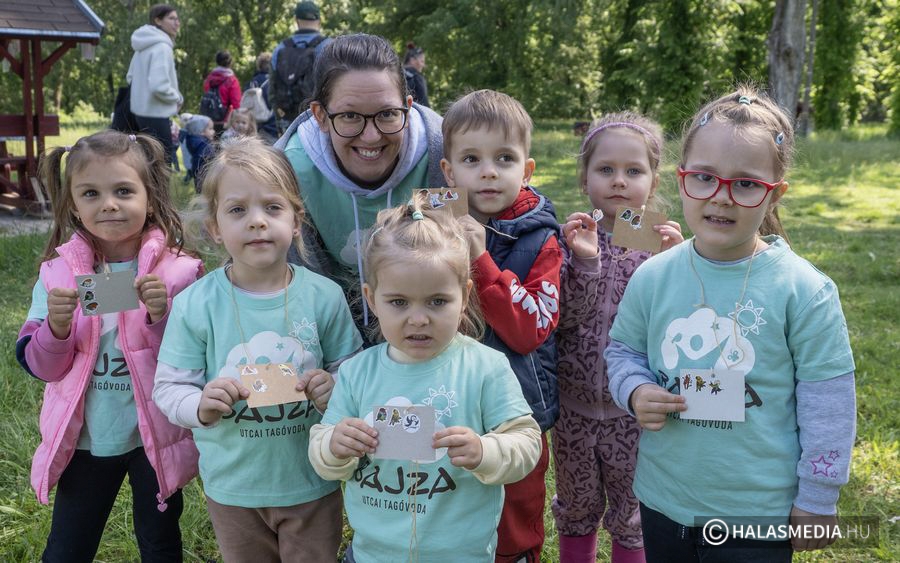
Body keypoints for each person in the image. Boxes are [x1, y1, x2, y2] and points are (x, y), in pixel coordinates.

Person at [606, 87, 856, 562]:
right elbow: (623, 351)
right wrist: (635, 389)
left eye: (745, 184)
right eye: (704, 178)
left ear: (774, 194)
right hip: (664, 500)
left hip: (757, 513)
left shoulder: (804, 291)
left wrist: (818, 499)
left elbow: (829, 403)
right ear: (681, 180)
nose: (721, 198)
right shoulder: (652, 276)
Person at [153, 139, 363, 562]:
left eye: (272, 207)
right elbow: (169, 387)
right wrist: (200, 405)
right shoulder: (196, 304)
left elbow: (355, 373)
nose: (257, 222)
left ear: (296, 220)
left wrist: (334, 388)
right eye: (237, 210)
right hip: (234, 488)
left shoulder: (324, 297)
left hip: (311, 482)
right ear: (215, 227)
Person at [308, 192, 542, 562]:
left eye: (437, 301)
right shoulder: (356, 373)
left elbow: (527, 442)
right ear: (372, 299)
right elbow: (323, 453)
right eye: (399, 302)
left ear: (464, 296)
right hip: (373, 556)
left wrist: (485, 451)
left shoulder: (485, 368)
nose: (418, 319)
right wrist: (334, 444)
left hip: (460, 555)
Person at [16, 130, 202, 562]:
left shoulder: (180, 273)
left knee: (160, 543)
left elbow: (196, 359)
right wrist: (55, 329)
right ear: (73, 206)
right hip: (87, 438)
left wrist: (162, 317)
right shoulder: (58, 275)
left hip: (155, 438)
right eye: (91, 193)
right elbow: (41, 367)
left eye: (123, 191)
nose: (109, 204)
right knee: (68, 546)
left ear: (150, 198)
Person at [552, 113, 683, 563]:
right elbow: (563, 317)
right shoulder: (569, 240)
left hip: (633, 413)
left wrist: (674, 266)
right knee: (576, 507)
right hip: (573, 409)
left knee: (632, 513)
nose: (619, 181)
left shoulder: (661, 247)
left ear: (654, 181)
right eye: (605, 169)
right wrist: (584, 262)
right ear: (584, 177)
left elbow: (674, 328)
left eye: (634, 171)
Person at [440, 89, 562, 563]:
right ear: (449, 172)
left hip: (517, 410)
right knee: (452, 501)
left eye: (504, 158)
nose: (488, 171)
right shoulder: (434, 227)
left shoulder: (543, 239)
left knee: (514, 515)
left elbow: (530, 331)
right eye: (471, 159)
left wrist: (481, 260)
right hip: (451, 400)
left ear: (526, 170)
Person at [276, 33, 445, 336]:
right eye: (350, 116)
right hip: (333, 340)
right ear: (320, 116)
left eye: (387, 114)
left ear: (408, 108)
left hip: (428, 332)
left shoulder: (443, 155)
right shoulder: (290, 172)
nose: (371, 136)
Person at [127, 4, 182, 165]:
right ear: (158, 20)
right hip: (156, 115)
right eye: (171, 18)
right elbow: (159, 86)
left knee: (146, 162)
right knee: (161, 166)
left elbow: (130, 77)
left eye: (177, 19)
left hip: (140, 114)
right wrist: (177, 98)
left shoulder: (143, 45)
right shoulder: (162, 47)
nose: (177, 23)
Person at [270, 1, 332, 133]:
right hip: (319, 121)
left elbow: (272, 89)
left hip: (287, 120)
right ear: (319, 21)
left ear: (297, 20)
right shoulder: (328, 47)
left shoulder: (280, 48)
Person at [202, 50, 243, 137]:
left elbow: (206, 92)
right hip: (224, 120)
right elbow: (236, 103)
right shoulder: (232, 80)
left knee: (210, 143)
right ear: (230, 62)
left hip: (208, 119)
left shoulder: (210, 78)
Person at [181, 114, 216, 193]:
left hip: (197, 171)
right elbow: (209, 159)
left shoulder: (194, 141)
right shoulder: (204, 145)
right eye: (210, 129)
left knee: (200, 191)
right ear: (201, 131)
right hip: (205, 173)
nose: (213, 131)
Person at [403, 42, 429, 107]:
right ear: (412, 60)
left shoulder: (396, 74)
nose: (424, 65)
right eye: (422, 61)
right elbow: (423, 104)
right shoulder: (416, 77)